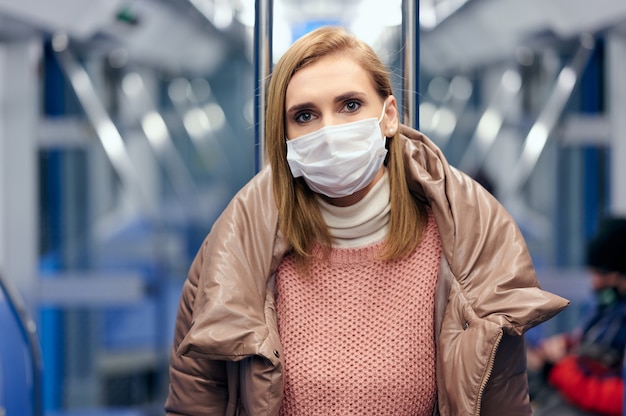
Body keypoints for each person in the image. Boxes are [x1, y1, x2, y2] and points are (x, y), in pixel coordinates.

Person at [165, 26, 569, 415]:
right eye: (305, 116)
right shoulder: (230, 256)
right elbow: (193, 404)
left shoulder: (467, 248)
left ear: (389, 115)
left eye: (351, 105)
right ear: (284, 138)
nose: (330, 131)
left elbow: (500, 403)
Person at [529, 217, 626, 416]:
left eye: (601, 275)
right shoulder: (609, 309)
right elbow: (594, 346)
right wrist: (567, 345)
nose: (595, 284)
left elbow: (618, 399)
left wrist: (559, 369)